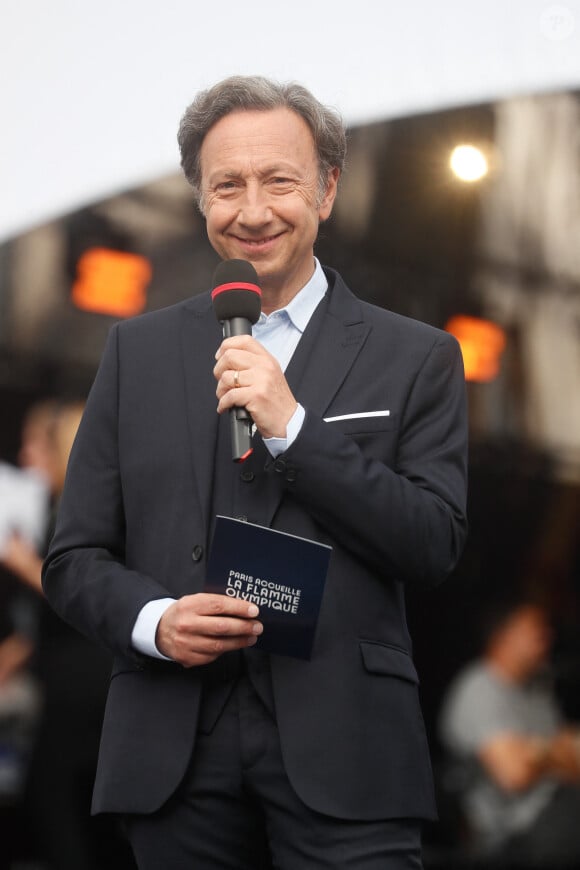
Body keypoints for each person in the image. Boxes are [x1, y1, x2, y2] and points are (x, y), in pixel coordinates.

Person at [42, 75, 468, 869]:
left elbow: (433, 543)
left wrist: (295, 428)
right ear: (200, 200)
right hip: (175, 745)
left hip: (348, 746)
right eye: (226, 185)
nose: (253, 209)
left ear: (327, 189)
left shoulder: (417, 357)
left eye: (279, 180)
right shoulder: (135, 354)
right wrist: (156, 622)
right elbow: (74, 560)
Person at [1, 400, 134, 870]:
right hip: (69, 679)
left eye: (37, 445)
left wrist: (21, 563)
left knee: (56, 799)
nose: (25, 456)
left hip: (85, 681)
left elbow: (78, 591)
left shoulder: (81, 518)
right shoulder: (57, 513)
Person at [439, 598, 580, 868]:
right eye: (534, 628)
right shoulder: (479, 687)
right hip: (511, 831)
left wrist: (536, 752)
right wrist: (553, 752)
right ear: (504, 635)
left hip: (559, 810)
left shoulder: (538, 690)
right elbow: (514, 775)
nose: (546, 636)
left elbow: (573, 763)